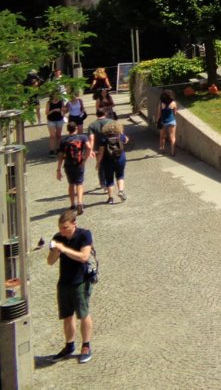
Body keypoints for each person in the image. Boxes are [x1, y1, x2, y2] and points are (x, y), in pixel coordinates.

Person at [46, 209, 95, 364]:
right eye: (60, 228)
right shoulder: (58, 238)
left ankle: (86, 345)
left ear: (74, 224)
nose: (62, 231)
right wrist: (56, 250)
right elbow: (50, 261)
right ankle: (69, 345)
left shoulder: (84, 235)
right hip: (64, 282)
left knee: (83, 313)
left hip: (80, 281)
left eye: (65, 228)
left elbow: (84, 257)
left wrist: (65, 249)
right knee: (67, 316)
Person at [57, 123, 90, 215]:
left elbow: (60, 156)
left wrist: (58, 170)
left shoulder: (64, 141)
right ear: (76, 128)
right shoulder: (82, 137)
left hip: (68, 164)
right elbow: (89, 147)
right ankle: (80, 202)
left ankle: (72, 204)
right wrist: (84, 159)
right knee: (79, 183)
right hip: (79, 164)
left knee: (71, 184)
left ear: (68, 130)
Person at [97, 120, 128, 204]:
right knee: (120, 176)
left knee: (109, 179)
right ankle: (121, 191)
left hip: (107, 161)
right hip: (120, 159)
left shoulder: (104, 138)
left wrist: (98, 163)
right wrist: (121, 132)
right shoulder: (120, 136)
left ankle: (110, 198)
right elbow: (126, 140)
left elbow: (100, 153)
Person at [87, 106, 116, 192]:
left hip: (98, 148)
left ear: (96, 115)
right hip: (111, 146)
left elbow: (91, 138)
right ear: (105, 113)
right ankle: (110, 182)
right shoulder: (111, 122)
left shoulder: (92, 125)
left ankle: (103, 184)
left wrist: (91, 150)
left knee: (100, 165)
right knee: (110, 164)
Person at [45, 87, 66, 157]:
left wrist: (63, 111)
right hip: (51, 120)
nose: (56, 96)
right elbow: (46, 113)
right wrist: (54, 110)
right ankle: (51, 150)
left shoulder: (61, 101)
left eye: (58, 95)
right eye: (55, 95)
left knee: (59, 135)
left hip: (59, 119)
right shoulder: (49, 103)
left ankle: (58, 148)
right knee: (52, 136)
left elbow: (64, 109)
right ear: (53, 95)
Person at [157, 89, 177, 155]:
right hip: (172, 121)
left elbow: (159, 114)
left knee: (162, 137)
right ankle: (173, 152)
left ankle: (162, 150)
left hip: (163, 122)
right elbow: (175, 113)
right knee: (172, 137)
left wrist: (157, 121)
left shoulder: (161, 104)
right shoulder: (174, 103)